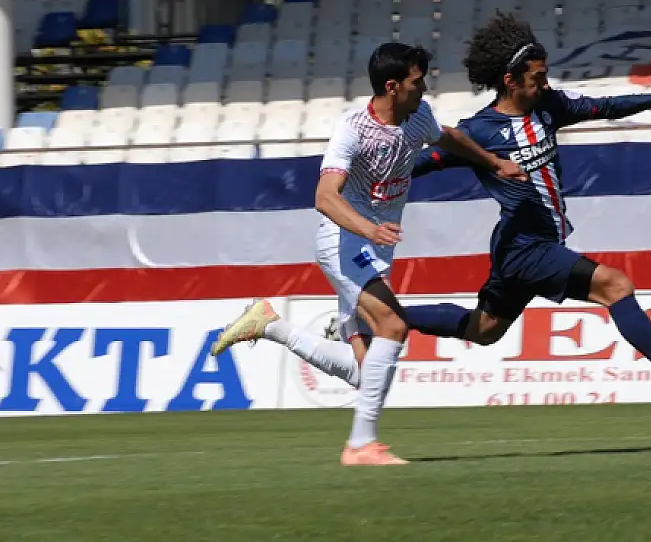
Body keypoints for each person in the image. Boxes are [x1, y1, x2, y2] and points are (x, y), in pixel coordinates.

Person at [389, 12, 651, 408]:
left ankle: (383, 317)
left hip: (520, 248)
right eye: (537, 78)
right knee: (615, 285)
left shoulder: (548, 107)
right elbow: (423, 162)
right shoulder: (479, 132)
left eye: (545, 75)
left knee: (484, 329)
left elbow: (601, 106)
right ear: (510, 81)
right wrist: (372, 180)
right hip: (526, 247)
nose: (545, 84)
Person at [210, 42, 527, 466]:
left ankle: (271, 327)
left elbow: (449, 137)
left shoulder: (417, 117)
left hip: (373, 245)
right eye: (418, 82)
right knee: (393, 326)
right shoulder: (353, 130)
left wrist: (493, 163)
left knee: (366, 371)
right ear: (393, 86)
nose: (425, 88)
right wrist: (368, 228)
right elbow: (325, 197)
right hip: (343, 242)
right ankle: (361, 446)